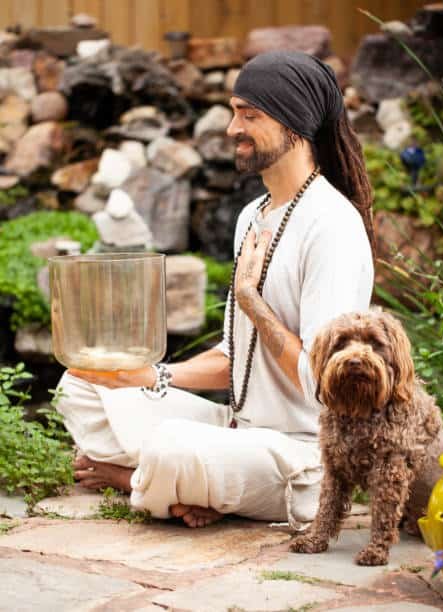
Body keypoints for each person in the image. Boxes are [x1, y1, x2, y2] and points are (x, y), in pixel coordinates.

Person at [55, 50, 375, 529]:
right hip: (235, 428)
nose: (231, 128)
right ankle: (194, 488)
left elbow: (321, 384)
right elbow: (235, 357)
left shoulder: (332, 226)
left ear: (296, 123)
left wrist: (251, 299)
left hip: (303, 456)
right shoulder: (253, 216)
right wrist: (151, 376)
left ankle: (130, 480)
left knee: (174, 449)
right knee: (80, 384)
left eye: (250, 114)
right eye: (233, 111)